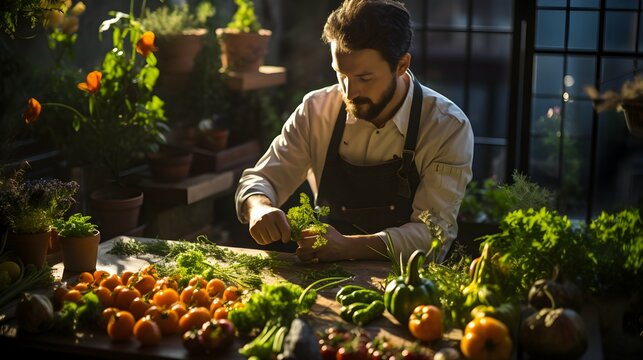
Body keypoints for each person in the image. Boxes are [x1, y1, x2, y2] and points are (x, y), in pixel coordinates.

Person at [234, 0, 473, 263]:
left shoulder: (446, 126)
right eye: (341, 74)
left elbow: (434, 236)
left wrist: (348, 247)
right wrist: (259, 207)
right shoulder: (316, 110)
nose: (349, 92)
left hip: (406, 285)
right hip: (324, 278)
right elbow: (261, 179)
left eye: (365, 78)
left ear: (401, 65)